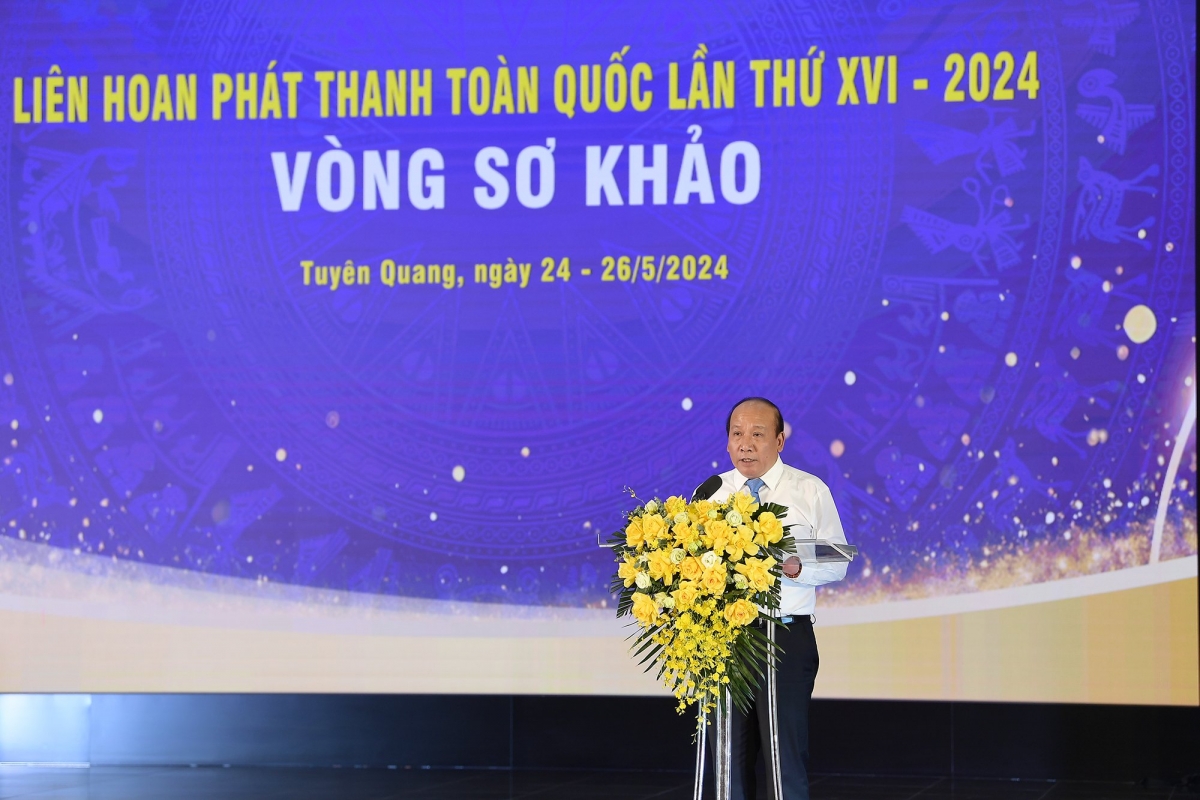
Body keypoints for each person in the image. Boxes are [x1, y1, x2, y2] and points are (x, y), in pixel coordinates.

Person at [706, 397, 848, 800]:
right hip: (725, 639)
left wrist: (798, 569)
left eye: (757, 434)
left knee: (783, 759)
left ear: (780, 441)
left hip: (784, 637)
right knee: (728, 760)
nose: (745, 444)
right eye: (737, 434)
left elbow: (837, 561)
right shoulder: (711, 493)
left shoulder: (809, 490)